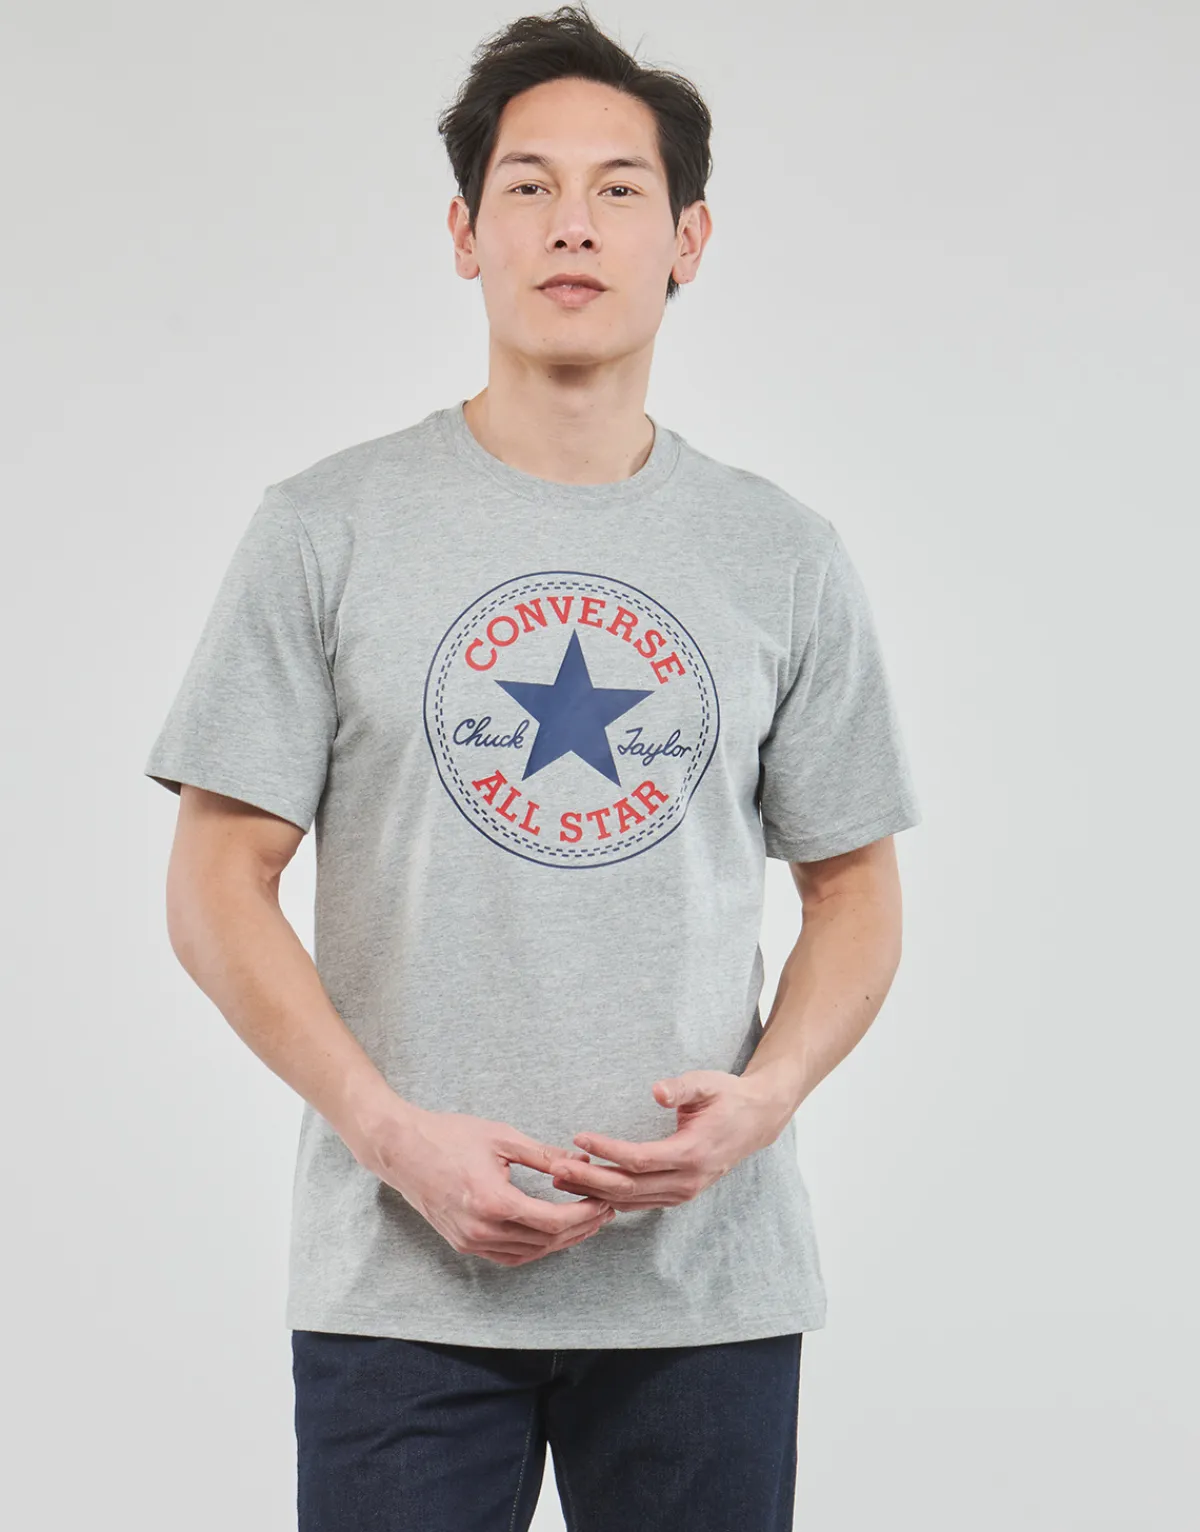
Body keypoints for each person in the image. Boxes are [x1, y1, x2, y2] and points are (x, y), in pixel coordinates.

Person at [143, 5, 921, 1528]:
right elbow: (216, 884)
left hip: (704, 1291)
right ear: (465, 233)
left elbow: (856, 888)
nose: (575, 224)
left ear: (689, 239)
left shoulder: (783, 554)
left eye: (621, 189)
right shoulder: (324, 529)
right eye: (529, 185)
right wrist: (391, 1139)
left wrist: (769, 1099)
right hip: (400, 1288)